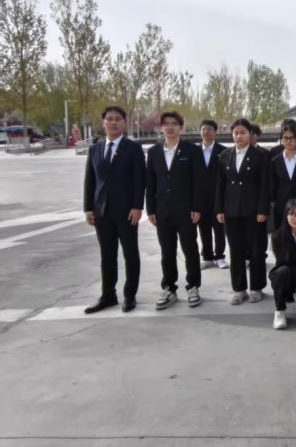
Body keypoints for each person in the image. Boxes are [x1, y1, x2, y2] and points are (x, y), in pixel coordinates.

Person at [83, 106, 146, 314]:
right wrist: (88, 209)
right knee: (107, 255)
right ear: (103, 123)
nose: (113, 122)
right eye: (109, 119)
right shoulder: (95, 149)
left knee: (130, 254)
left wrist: (137, 206)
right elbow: (90, 180)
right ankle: (108, 295)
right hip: (101, 212)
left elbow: (139, 179)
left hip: (127, 211)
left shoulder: (133, 148)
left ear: (124, 122)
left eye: (117, 119)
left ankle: (130, 295)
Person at [145, 111, 204, 310]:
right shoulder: (154, 152)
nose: (170, 127)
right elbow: (150, 184)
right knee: (167, 252)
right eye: (166, 124)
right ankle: (169, 287)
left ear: (181, 127)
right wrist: (150, 209)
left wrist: (197, 206)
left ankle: (193, 286)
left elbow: (198, 182)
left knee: (190, 249)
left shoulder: (192, 151)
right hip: (163, 211)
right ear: (161, 128)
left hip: (186, 211)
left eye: (174, 124)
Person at [215, 118, 270, 305]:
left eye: (243, 132)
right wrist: (219, 209)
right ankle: (239, 289)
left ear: (250, 134)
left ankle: (256, 287)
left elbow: (265, 185)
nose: (239, 136)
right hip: (231, 210)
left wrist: (263, 209)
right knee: (235, 250)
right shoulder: (225, 155)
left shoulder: (261, 155)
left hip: (254, 210)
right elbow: (220, 185)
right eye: (236, 133)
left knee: (256, 250)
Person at [269, 198, 296, 330]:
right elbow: (288, 264)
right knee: (283, 272)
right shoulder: (277, 237)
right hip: (287, 275)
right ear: (286, 216)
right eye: (292, 214)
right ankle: (279, 311)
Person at [197, 119, 228, 269]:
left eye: (209, 129)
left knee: (219, 227)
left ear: (215, 132)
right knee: (203, 228)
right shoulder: (194, 151)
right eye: (203, 129)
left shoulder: (224, 151)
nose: (206, 132)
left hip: (218, 196)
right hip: (200, 197)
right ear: (200, 132)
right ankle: (207, 257)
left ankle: (220, 256)